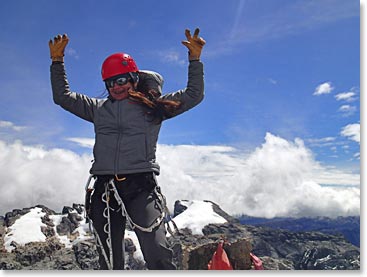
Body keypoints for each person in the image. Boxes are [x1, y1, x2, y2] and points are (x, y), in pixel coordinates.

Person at [49, 28, 205, 270]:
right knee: (110, 261)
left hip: (140, 186)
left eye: (121, 80)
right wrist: (57, 62)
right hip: (105, 189)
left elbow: (194, 95)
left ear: (134, 78)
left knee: (156, 253)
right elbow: (63, 97)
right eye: (110, 82)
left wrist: (195, 59)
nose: (116, 86)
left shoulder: (154, 108)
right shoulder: (98, 109)